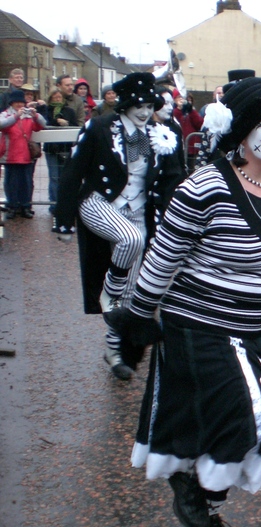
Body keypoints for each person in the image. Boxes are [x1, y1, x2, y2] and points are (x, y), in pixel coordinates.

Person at [107, 77, 261, 527]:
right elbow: (162, 259)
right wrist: (138, 316)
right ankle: (197, 494)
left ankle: (204, 509)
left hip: (254, 334)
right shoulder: (205, 186)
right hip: (198, 329)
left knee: (233, 432)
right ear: (242, 133)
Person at [53, 72, 185, 380]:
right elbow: (72, 172)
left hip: (139, 208)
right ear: (124, 105)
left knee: (134, 289)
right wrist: (63, 220)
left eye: (148, 105)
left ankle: (115, 352)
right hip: (101, 202)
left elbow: (171, 181)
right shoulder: (98, 127)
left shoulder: (160, 132)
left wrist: (174, 219)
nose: (143, 111)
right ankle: (107, 295)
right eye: (137, 105)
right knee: (131, 239)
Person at [0, 89, 46, 219]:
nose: (19, 105)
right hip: (10, 155)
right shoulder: (5, 114)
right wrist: (15, 116)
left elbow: (43, 124)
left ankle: (25, 206)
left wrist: (35, 115)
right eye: (16, 102)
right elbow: (2, 124)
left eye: (21, 102)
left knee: (26, 182)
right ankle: (12, 207)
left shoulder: (28, 115)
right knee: (11, 183)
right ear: (11, 103)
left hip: (25, 155)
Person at [38, 89, 78, 224]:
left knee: (64, 177)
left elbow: (75, 126)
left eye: (59, 97)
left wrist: (66, 124)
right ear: (50, 99)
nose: (57, 99)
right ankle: (54, 204)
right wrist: (56, 122)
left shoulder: (69, 111)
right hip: (51, 149)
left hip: (66, 148)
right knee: (54, 177)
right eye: (54, 97)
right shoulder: (46, 111)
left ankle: (64, 203)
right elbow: (44, 123)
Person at [173, 91, 204, 173]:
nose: (185, 101)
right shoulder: (174, 112)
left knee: (193, 170)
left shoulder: (192, 112)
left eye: (189, 100)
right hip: (180, 148)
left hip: (192, 148)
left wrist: (191, 111)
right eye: (180, 97)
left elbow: (200, 124)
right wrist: (179, 109)